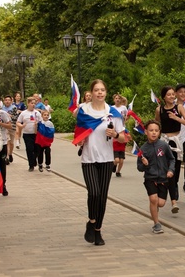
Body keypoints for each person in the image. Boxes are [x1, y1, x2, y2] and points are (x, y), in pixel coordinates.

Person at [77, 79, 126, 246]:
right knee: (94, 192)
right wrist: (80, 141)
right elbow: (79, 133)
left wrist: (115, 135)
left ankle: (97, 231)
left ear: (106, 92)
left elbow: (123, 136)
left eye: (102, 90)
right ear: (91, 92)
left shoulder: (113, 113)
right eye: (96, 90)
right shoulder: (83, 110)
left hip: (106, 159)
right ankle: (91, 221)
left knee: (103, 196)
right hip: (89, 158)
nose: (99, 92)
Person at [154, 86, 185, 213]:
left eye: (172, 94)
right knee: (165, 170)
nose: (171, 97)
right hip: (164, 141)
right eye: (168, 95)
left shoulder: (179, 108)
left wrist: (176, 118)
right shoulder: (159, 109)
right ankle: (173, 201)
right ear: (164, 97)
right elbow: (156, 125)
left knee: (174, 171)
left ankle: (172, 191)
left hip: (176, 141)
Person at [137, 120, 176, 234]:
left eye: (156, 130)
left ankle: (155, 209)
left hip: (163, 179)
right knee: (153, 199)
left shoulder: (163, 145)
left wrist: (170, 170)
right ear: (145, 132)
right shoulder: (143, 149)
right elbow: (139, 168)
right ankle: (156, 224)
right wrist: (144, 165)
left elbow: (172, 159)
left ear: (159, 132)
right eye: (151, 130)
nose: (153, 133)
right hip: (150, 178)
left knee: (160, 203)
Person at [16, 96, 42, 171]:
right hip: (27, 134)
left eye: (34, 103)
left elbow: (41, 122)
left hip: (36, 134)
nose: (33, 105)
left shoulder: (37, 113)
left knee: (37, 149)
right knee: (29, 149)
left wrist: (38, 124)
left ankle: (34, 159)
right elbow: (18, 122)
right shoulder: (23, 113)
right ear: (28, 104)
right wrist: (21, 125)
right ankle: (31, 165)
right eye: (31, 103)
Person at [111, 94, 128, 177]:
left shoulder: (123, 108)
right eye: (116, 98)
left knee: (121, 160)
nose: (117, 100)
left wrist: (125, 119)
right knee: (117, 159)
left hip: (122, 129)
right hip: (114, 130)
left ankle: (118, 171)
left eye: (119, 98)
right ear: (114, 100)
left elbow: (126, 117)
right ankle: (114, 164)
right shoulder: (112, 108)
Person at [75, 91, 92, 156]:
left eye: (89, 95)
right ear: (84, 97)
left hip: (91, 123)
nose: (88, 97)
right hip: (83, 124)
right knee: (84, 136)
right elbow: (75, 115)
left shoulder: (94, 104)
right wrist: (77, 108)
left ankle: (88, 150)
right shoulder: (81, 105)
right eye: (87, 96)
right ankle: (82, 146)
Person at [1, 95, 17, 163]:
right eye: (6, 100)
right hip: (5, 127)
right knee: (7, 141)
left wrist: (9, 116)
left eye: (8, 100)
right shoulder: (2, 108)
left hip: (12, 126)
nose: (7, 101)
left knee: (11, 142)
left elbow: (16, 117)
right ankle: (7, 157)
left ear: (11, 101)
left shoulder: (14, 108)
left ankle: (10, 154)